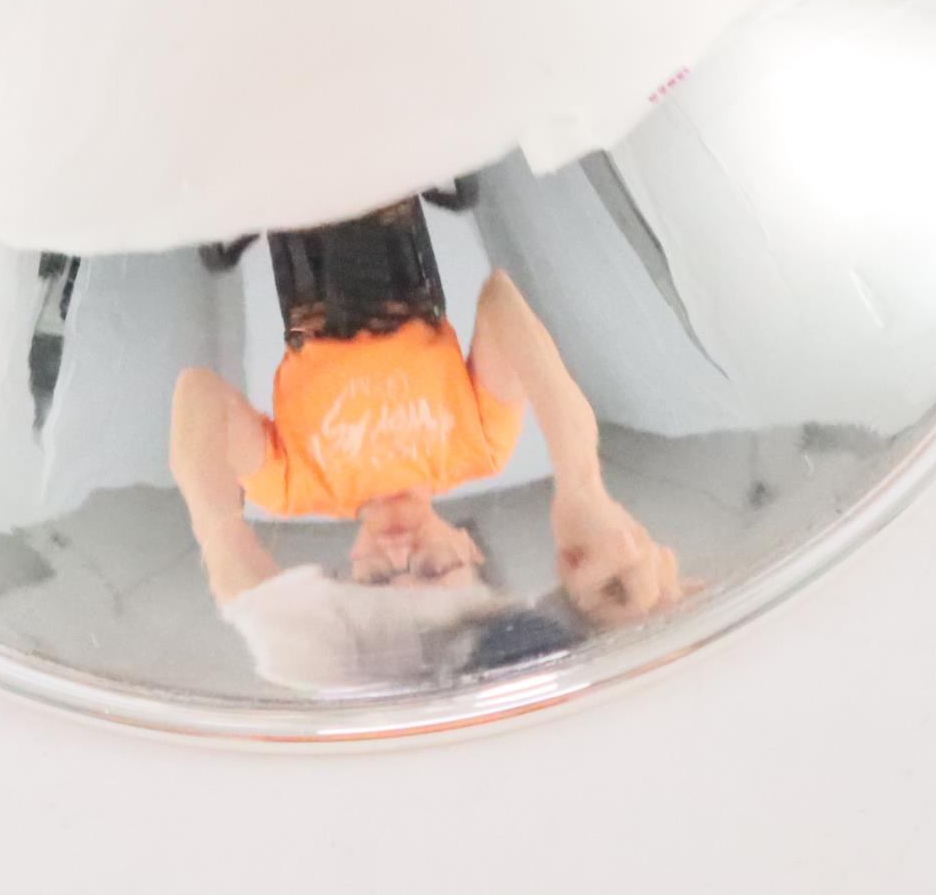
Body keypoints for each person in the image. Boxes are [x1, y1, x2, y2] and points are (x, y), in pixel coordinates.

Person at [169, 198, 685, 636]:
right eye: (433, 568)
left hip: (298, 223)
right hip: (392, 215)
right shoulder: (481, 447)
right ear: (467, 548)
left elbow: (197, 396)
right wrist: (582, 485)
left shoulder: (289, 488)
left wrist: (223, 542)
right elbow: (501, 301)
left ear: (350, 572)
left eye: (378, 579)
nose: (399, 552)